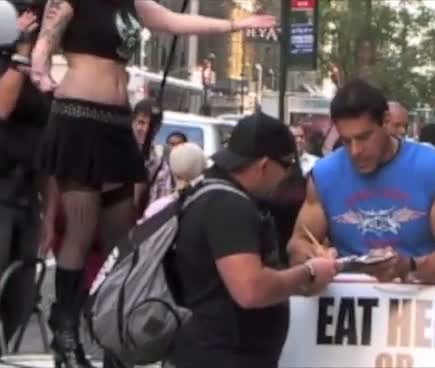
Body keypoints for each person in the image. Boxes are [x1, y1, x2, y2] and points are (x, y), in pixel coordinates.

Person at [29, 0, 275, 366]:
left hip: (116, 123)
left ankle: (113, 328)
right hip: (78, 117)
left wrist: (237, 27)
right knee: (81, 231)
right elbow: (44, 44)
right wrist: (42, 74)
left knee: (121, 238)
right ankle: (65, 327)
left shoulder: (133, 4)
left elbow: (177, 21)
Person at [170, 113, 338, 368]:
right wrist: (310, 271)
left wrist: (306, 278)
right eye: (286, 166)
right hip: (221, 355)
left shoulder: (213, 193)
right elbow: (251, 289)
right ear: (264, 165)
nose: (286, 176)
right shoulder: (229, 205)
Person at [288, 80, 435, 284]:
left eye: (364, 137)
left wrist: (409, 267)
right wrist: (313, 257)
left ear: (385, 122)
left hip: (420, 301)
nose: (356, 151)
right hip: (350, 304)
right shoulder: (324, 174)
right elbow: (298, 243)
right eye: (347, 141)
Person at [0, 7, 49, 343]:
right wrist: (21, 52)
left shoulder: (31, 71)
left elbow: (47, 145)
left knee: (19, 297)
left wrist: (50, 212)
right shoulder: (13, 66)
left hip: (27, 195)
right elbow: (2, 107)